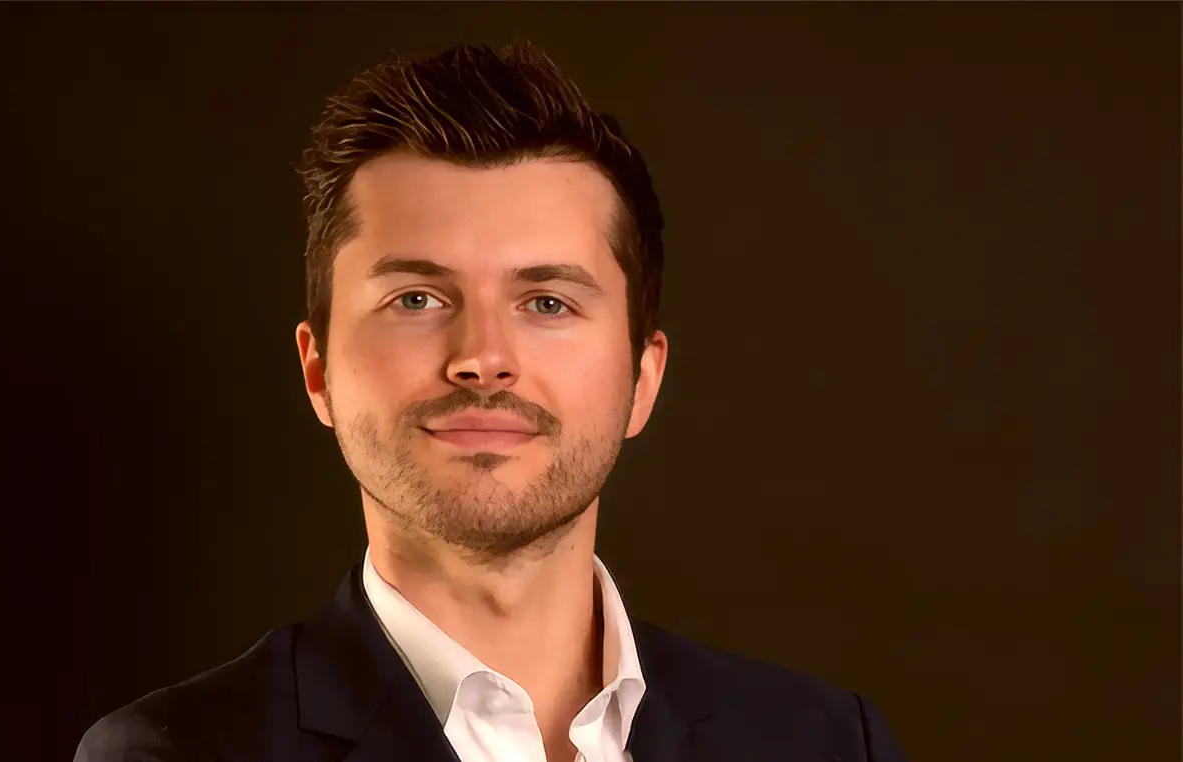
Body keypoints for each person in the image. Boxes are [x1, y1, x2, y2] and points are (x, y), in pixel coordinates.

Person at [75, 41, 908, 762]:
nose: (482, 359)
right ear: (319, 369)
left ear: (642, 380)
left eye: (547, 302)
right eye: (416, 300)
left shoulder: (826, 742)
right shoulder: (175, 755)